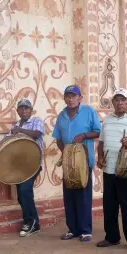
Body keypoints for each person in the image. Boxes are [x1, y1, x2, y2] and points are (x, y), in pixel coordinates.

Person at [96, 88, 127, 252]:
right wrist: (100, 157)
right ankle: (111, 237)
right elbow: (101, 142)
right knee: (109, 205)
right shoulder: (107, 119)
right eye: (117, 100)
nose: (120, 103)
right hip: (109, 169)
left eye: (123, 100)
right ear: (113, 102)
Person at [52, 85, 101, 242]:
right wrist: (66, 154)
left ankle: (85, 230)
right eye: (68, 96)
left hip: (84, 162)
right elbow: (58, 138)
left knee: (83, 197)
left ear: (80, 98)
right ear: (64, 98)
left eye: (74, 96)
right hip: (68, 164)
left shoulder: (88, 112)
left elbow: (98, 131)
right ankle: (72, 229)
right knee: (69, 196)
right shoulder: (61, 116)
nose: (71, 99)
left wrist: (84, 135)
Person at [10, 98, 45, 237]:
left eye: (27, 108)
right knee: (21, 195)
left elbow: (37, 134)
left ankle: (28, 222)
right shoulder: (14, 125)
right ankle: (34, 223)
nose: (24, 110)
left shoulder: (36, 121)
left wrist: (20, 130)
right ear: (17, 111)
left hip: (33, 164)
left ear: (31, 110)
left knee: (25, 190)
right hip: (19, 166)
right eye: (21, 108)